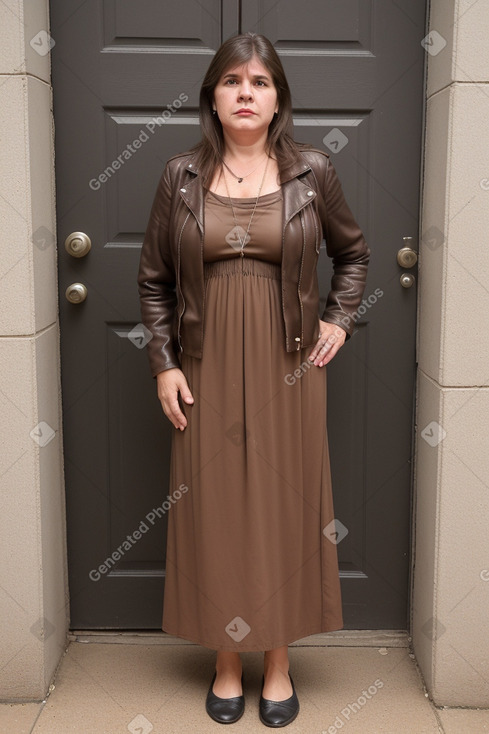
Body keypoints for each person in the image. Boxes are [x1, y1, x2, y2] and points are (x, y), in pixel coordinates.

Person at [137, 31, 370, 728]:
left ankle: (276, 663)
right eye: (233, 81)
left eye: (260, 82)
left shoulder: (313, 172)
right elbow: (152, 279)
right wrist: (164, 363)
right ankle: (226, 662)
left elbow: (351, 253)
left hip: (289, 364)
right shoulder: (178, 175)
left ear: (277, 100)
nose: (246, 93)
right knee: (214, 510)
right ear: (212, 96)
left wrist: (340, 318)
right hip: (203, 365)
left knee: (284, 510)